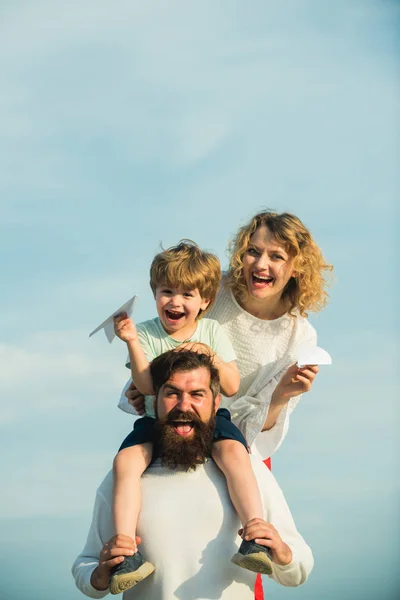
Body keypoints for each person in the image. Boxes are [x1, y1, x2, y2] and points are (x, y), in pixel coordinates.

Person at [72, 351, 314, 600]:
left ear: (216, 403)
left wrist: (283, 553)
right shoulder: (125, 476)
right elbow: (86, 566)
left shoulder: (249, 469)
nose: (183, 405)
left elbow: (299, 570)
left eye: (197, 394)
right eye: (172, 393)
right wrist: (100, 575)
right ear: (155, 401)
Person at [110, 241, 268, 595]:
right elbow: (147, 385)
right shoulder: (148, 332)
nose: (175, 302)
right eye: (167, 291)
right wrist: (132, 342)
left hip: (208, 420)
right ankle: (125, 551)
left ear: (205, 302)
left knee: (235, 454)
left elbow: (230, 384)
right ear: (155, 294)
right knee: (126, 461)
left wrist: (211, 356)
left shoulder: (212, 332)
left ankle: (255, 532)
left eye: (187, 294)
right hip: (158, 421)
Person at [122, 211, 333, 460]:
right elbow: (166, 334)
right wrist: (142, 388)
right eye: (253, 251)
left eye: (276, 256)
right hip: (176, 427)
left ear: (298, 267)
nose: (260, 264)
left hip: (236, 443)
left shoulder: (300, 337)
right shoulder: (215, 289)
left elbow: (259, 428)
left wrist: (281, 397)